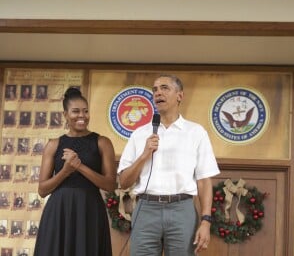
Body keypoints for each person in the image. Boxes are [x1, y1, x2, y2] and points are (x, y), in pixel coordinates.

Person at [118, 74, 220, 256]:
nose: (158, 93)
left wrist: (206, 220)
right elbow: (124, 182)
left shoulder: (196, 132)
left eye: (164, 88)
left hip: (182, 209)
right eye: (155, 89)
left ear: (180, 95)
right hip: (146, 208)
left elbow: (204, 180)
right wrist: (144, 155)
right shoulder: (139, 134)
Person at [33, 87, 116, 256]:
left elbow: (110, 185)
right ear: (65, 115)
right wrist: (65, 171)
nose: (82, 116)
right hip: (59, 211)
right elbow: (42, 190)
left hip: (89, 209)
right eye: (75, 111)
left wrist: (80, 167)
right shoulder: (53, 145)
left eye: (85, 111)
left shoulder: (102, 142)